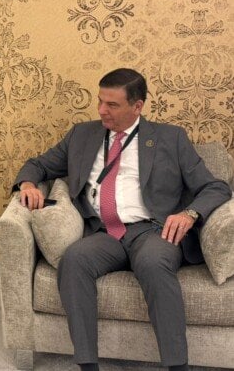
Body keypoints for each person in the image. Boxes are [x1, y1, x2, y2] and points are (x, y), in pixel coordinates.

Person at [13, 68, 231, 371]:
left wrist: (189, 214)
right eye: (100, 101)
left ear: (137, 106)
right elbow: (38, 165)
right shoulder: (81, 135)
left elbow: (215, 187)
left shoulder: (171, 138)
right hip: (103, 232)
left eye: (112, 105)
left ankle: (176, 366)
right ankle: (87, 365)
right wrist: (27, 184)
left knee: (154, 264)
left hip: (153, 231)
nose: (102, 110)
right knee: (73, 260)